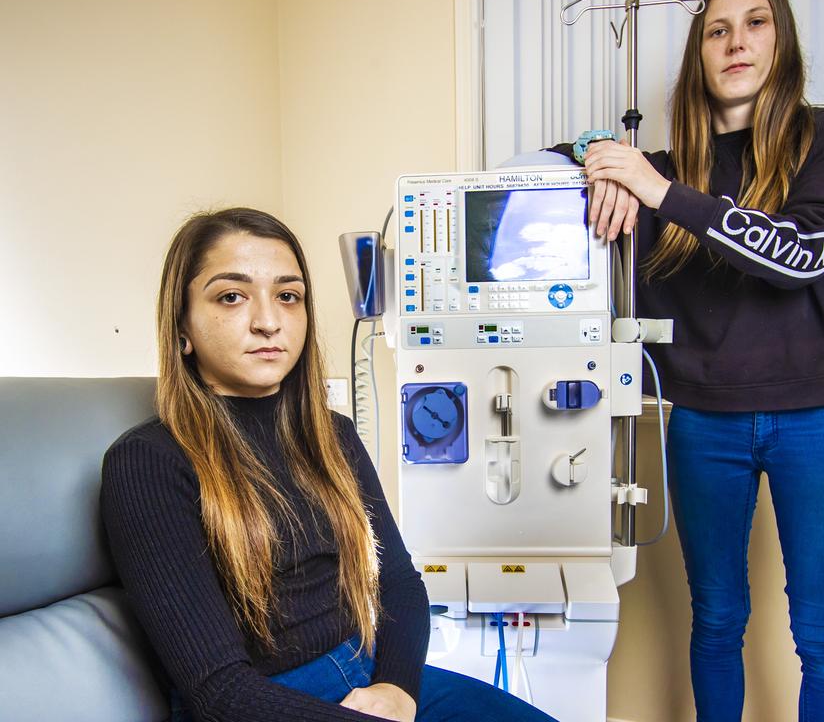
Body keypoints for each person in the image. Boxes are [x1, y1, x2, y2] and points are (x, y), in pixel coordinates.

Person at [551, 0, 824, 722]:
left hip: (822, 417)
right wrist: (599, 153)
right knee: (717, 621)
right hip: (704, 421)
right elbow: (541, 166)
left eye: (755, 22)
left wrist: (656, 190)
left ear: (783, 42)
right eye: (717, 29)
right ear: (699, 55)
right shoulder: (663, 172)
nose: (736, 41)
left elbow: (800, 256)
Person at [101, 208, 557, 722]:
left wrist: (397, 688)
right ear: (182, 325)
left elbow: (400, 584)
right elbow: (218, 691)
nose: (268, 321)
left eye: (287, 296)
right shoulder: (148, 463)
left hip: (368, 679)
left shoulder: (332, 435)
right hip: (262, 707)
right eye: (232, 296)